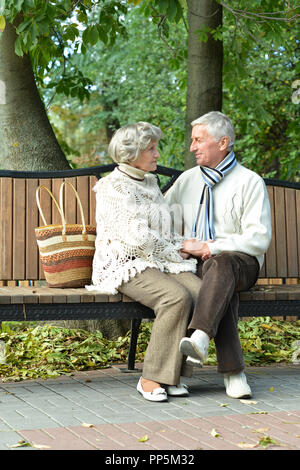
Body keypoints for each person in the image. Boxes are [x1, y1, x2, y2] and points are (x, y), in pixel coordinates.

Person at [86, 121, 202, 402]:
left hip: (157, 260)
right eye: (151, 149)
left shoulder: (150, 182)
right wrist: (177, 249)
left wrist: (182, 245)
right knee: (175, 297)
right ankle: (150, 377)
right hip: (125, 263)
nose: (157, 154)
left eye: (155, 148)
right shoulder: (112, 187)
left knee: (200, 293)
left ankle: (171, 375)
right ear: (131, 154)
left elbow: (161, 231)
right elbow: (138, 238)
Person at [165, 111, 272, 399]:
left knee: (221, 265)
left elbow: (258, 238)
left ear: (223, 142)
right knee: (220, 287)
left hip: (242, 264)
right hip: (199, 268)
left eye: (199, 140)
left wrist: (210, 247)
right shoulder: (187, 181)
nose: (192, 147)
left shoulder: (249, 182)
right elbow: (159, 217)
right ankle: (232, 371)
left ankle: (195, 347)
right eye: (192, 141)